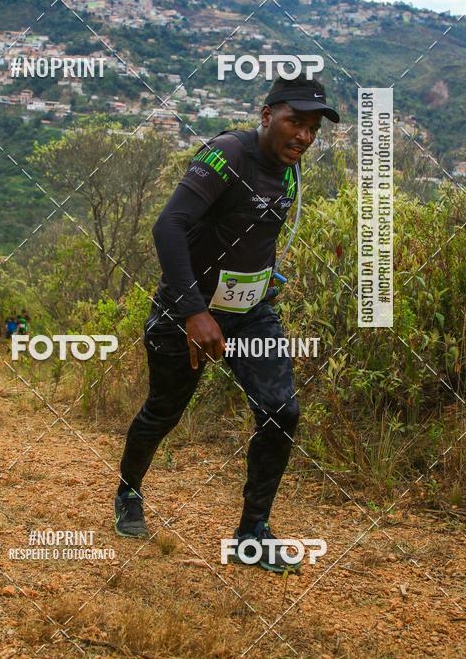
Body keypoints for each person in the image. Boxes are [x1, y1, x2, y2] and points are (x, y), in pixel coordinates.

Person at [114, 74, 340, 573]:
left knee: (282, 411)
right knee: (163, 412)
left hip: (251, 313)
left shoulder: (288, 167)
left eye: (312, 129)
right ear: (267, 116)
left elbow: (251, 232)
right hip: (187, 310)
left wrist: (265, 278)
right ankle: (129, 492)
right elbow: (168, 225)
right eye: (294, 122)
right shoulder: (227, 155)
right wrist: (195, 311)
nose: (303, 136)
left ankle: (251, 535)